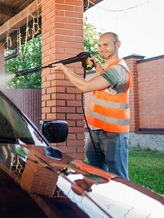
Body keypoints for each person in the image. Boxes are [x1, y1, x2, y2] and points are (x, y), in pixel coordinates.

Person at [52, 32, 131, 179]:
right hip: (96, 131)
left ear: (117, 44)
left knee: (118, 179)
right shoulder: (109, 68)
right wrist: (98, 65)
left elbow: (85, 86)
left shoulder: (118, 70)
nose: (101, 49)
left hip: (113, 133)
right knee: (95, 175)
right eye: (99, 45)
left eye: (106, 45)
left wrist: (64, 69)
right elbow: (107, 84)